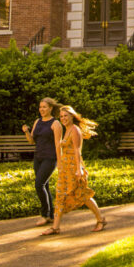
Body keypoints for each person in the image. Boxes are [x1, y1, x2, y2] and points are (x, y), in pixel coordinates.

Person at [40, 104, 105, 235]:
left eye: (66, 116)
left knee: (83, 195)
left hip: (74, 168)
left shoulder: (75, 130)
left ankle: (100, 219)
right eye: (61, 116)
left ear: (72, 116)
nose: (63, 118)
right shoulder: (66, 129)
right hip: (65, 168)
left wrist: (79, 169)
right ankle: (55, 227)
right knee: (60, 196)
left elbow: (77, 151)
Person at [23, 97, 62, 227]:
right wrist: (26, 131)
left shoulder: (55, 123)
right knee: (44, 186)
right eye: (40, 107)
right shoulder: (37, 121)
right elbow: (31, 141)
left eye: (44, 107)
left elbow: (58, 144)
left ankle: (44, 215)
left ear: (51, 108)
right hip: (38, 158)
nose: (42, 109)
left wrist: (60, 161)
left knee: (39, 184)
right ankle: (50, 216)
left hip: (50, 158)